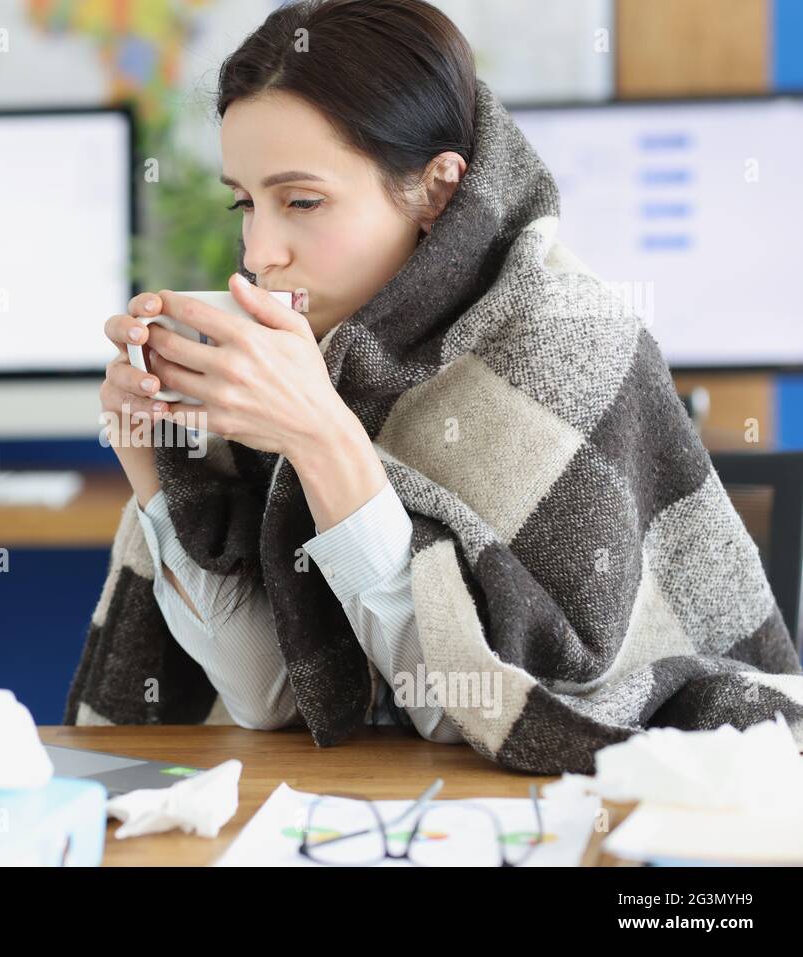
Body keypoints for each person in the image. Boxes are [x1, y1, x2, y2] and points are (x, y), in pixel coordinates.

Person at [69, 0, 803, 769]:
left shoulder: (565, 338)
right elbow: (271, 698)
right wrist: (156, 467)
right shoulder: (314, 350)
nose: (258, 252)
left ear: (438, 191)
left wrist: (324, 441)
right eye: (245, 203)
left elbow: (499, 715)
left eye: (302, 202)